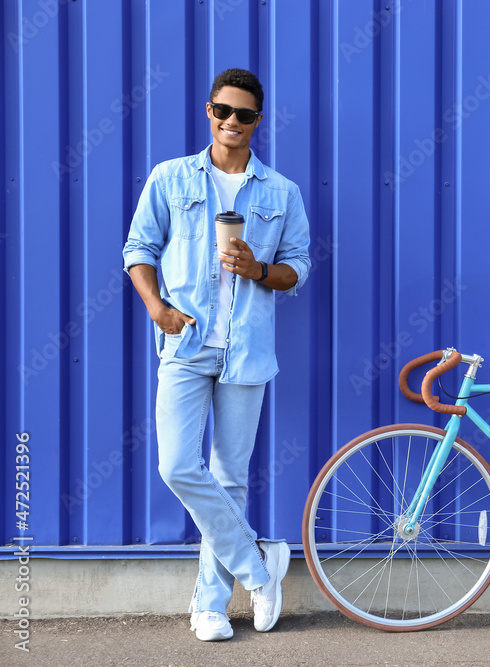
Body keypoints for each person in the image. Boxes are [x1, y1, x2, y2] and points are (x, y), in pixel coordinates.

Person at [122, 68, 311, 641]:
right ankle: (257, 566)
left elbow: (298, 267)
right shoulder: (171, 177)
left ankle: (209, 604)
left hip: (247, 350)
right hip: (185, 341)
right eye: (222, 111)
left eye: (244, 115)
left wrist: (258, 269)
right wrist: (157, 309)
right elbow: (139, 247)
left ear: (259, 121)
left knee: (230, 476)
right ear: (209, 112)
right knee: (177, 465)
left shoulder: (280, 192)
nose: (232, 122)